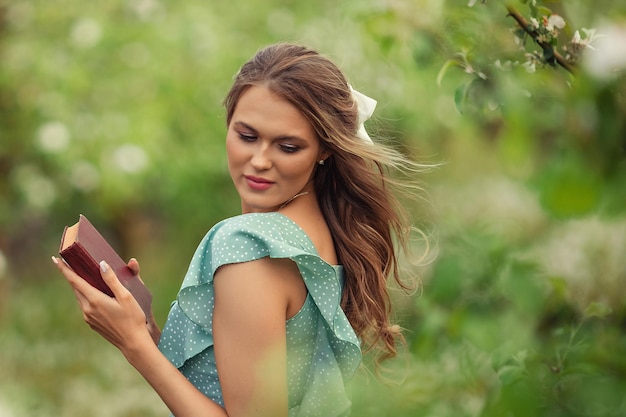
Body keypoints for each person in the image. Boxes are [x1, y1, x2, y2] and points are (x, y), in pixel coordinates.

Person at [52, 42, 421, 417]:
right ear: (228, 124)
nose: (259, 161)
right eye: (246, 136)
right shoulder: (322, 230)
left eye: (288, 146)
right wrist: (143, 331)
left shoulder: (248, 246)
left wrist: (135, 346)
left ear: (324, 150)